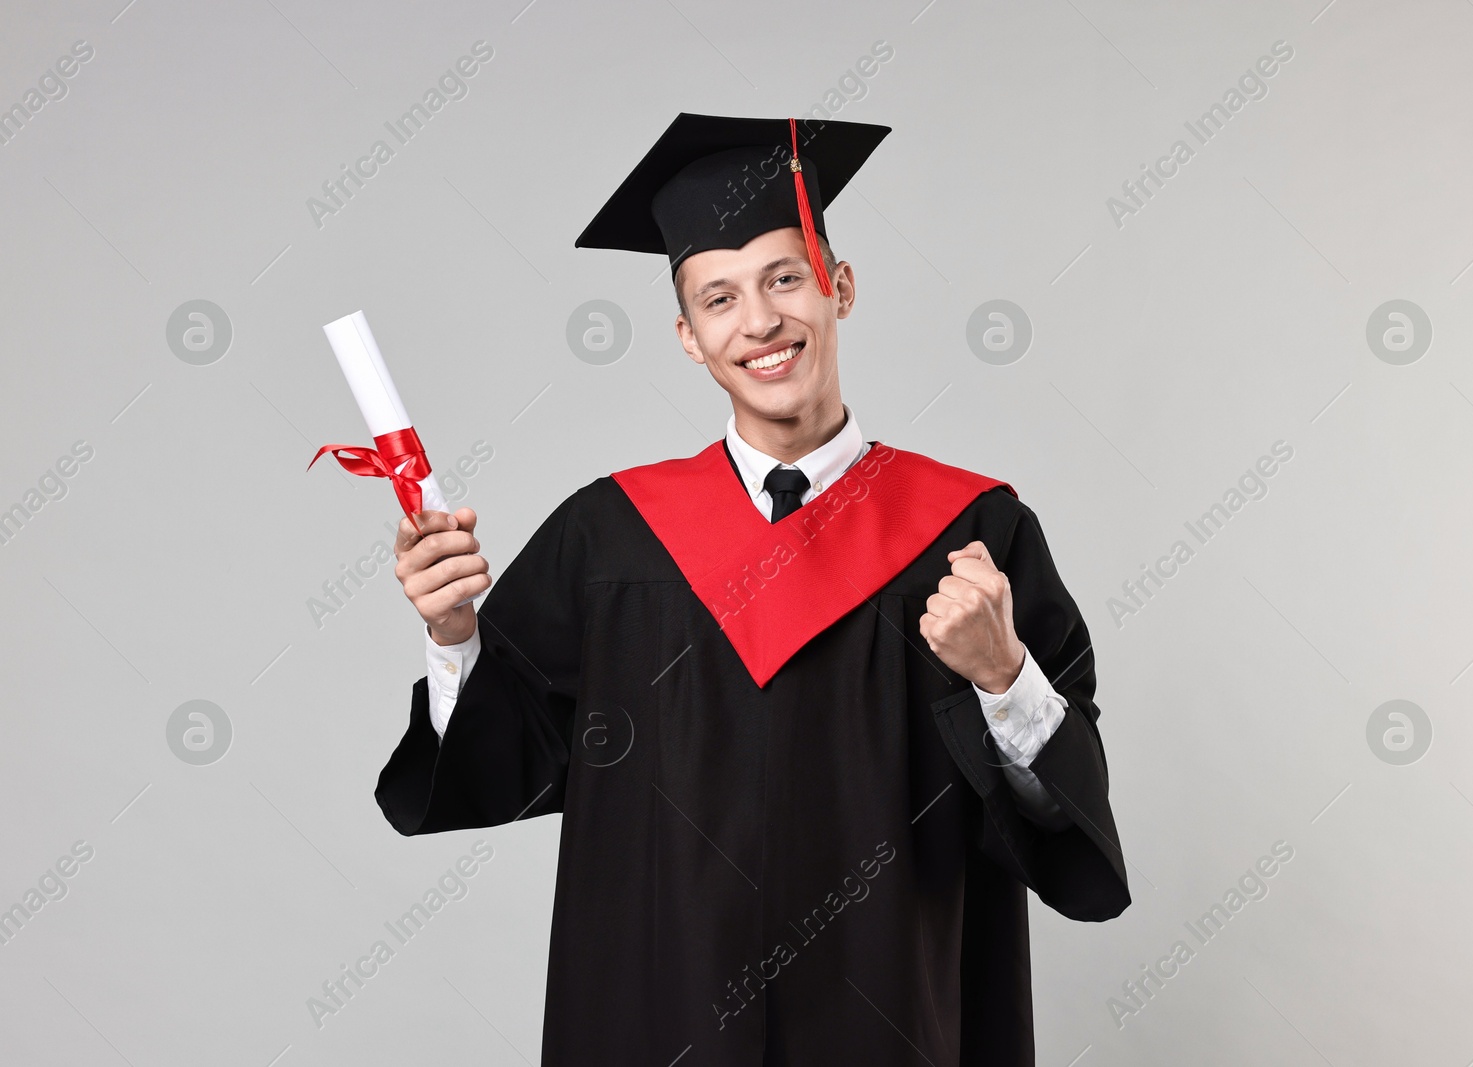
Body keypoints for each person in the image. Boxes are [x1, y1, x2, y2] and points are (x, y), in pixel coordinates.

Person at [376, 112, 1130, 1066]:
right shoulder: (611, 536)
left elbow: (1064, 812)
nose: (761, 321)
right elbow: (501, 760)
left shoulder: (972, 531)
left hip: (890, 1016)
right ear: (689, 337)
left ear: (839, 287)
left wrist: (1005, 677)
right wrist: (453, 635)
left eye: (784, 278)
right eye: (719, 298)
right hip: (665, 1020)